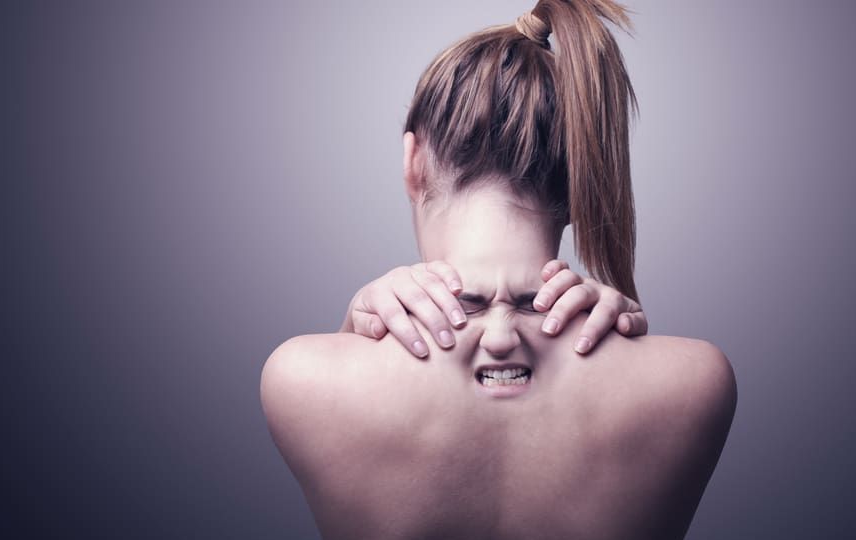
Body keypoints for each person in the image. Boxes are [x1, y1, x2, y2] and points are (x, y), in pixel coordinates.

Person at [261, 1, 736, 538]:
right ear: (583, 179)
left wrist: (352, 334)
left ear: (412, 163)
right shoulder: (696, 383)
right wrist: (630, 348)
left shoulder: (299, 379)